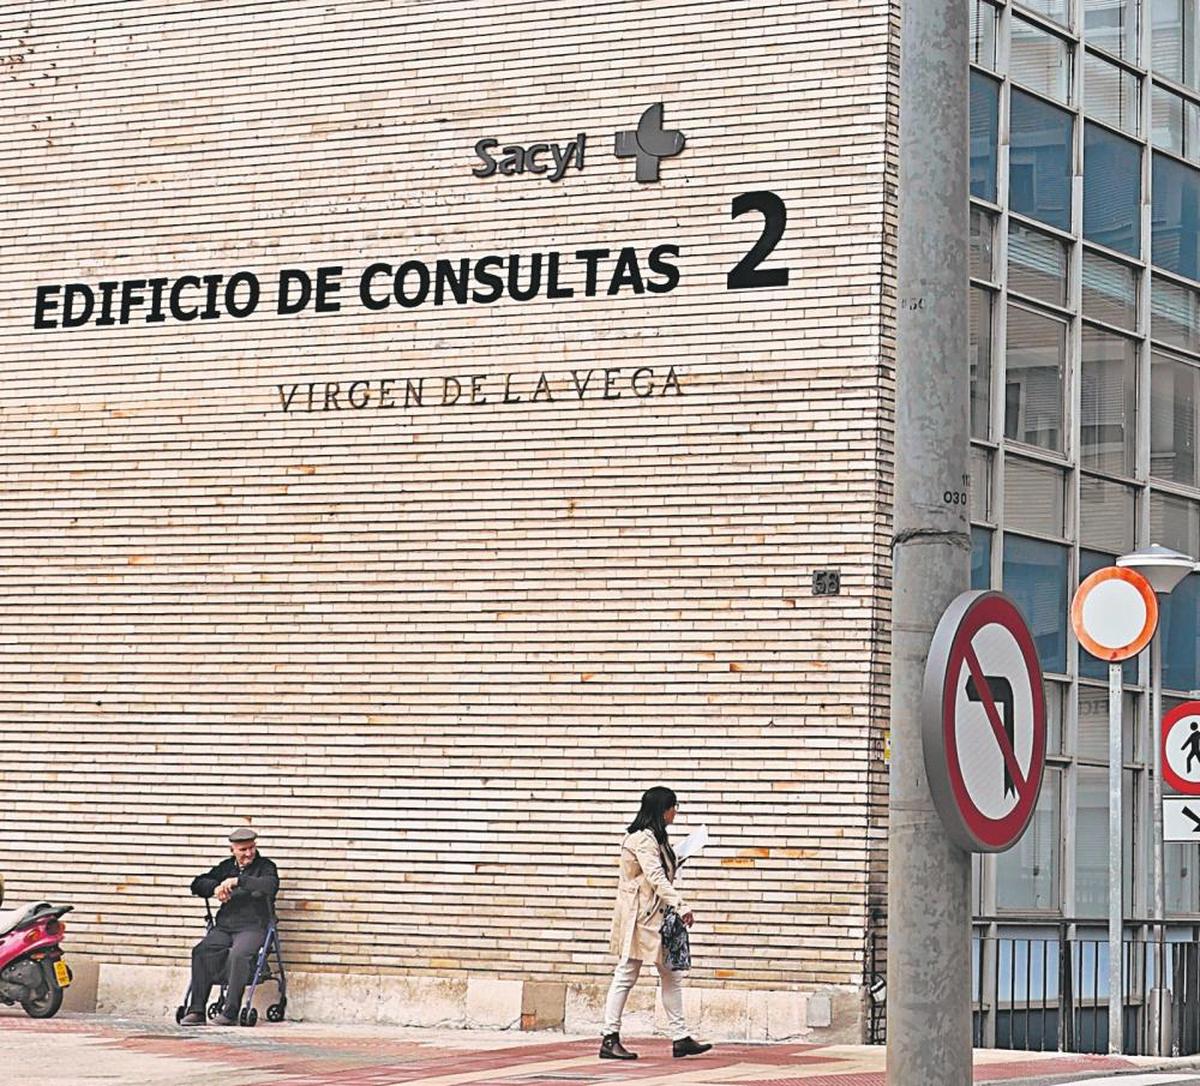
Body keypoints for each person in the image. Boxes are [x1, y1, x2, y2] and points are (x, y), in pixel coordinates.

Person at [600, 785, 712, 1060]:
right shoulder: (641, 839)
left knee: (671, 974)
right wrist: (682, 904)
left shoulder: (656, 838)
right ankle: (609, 1037)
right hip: (641, 919)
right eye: (674, 807)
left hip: (656, 918)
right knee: (626, 973)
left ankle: (680, 1037)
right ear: (663, 809)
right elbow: (655, 877)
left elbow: (661, 872)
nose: (675, 812)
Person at [178, 828, 279, 1026]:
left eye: (251, 848)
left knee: (238, 954)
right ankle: (196, 1010)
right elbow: (197, 884)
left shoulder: (266, 866)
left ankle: (230, 1011)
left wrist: (238, 881)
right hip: (225, 927)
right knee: (201, 951)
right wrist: (215, 888)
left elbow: (270, 885)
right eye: (243, 849)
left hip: (253, 926)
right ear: (232, 849)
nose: (249, 853)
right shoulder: (225, 867)